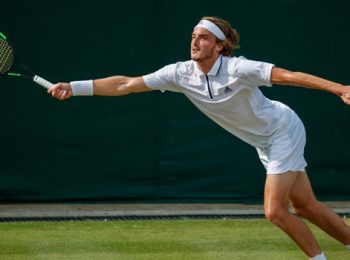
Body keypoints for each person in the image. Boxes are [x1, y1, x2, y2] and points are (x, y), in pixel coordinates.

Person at [48, 16, 350, 259]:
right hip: (264, 141)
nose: (195, 41)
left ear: (219, 46)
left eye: (203, 37)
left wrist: (339, 88)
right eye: (193, 36)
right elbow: (126, 84)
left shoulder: (239, 68)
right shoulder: (179, 73)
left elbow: (290, 75)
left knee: (274, 211)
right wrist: (75, 87)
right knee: (305, 206)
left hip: (283, 130)